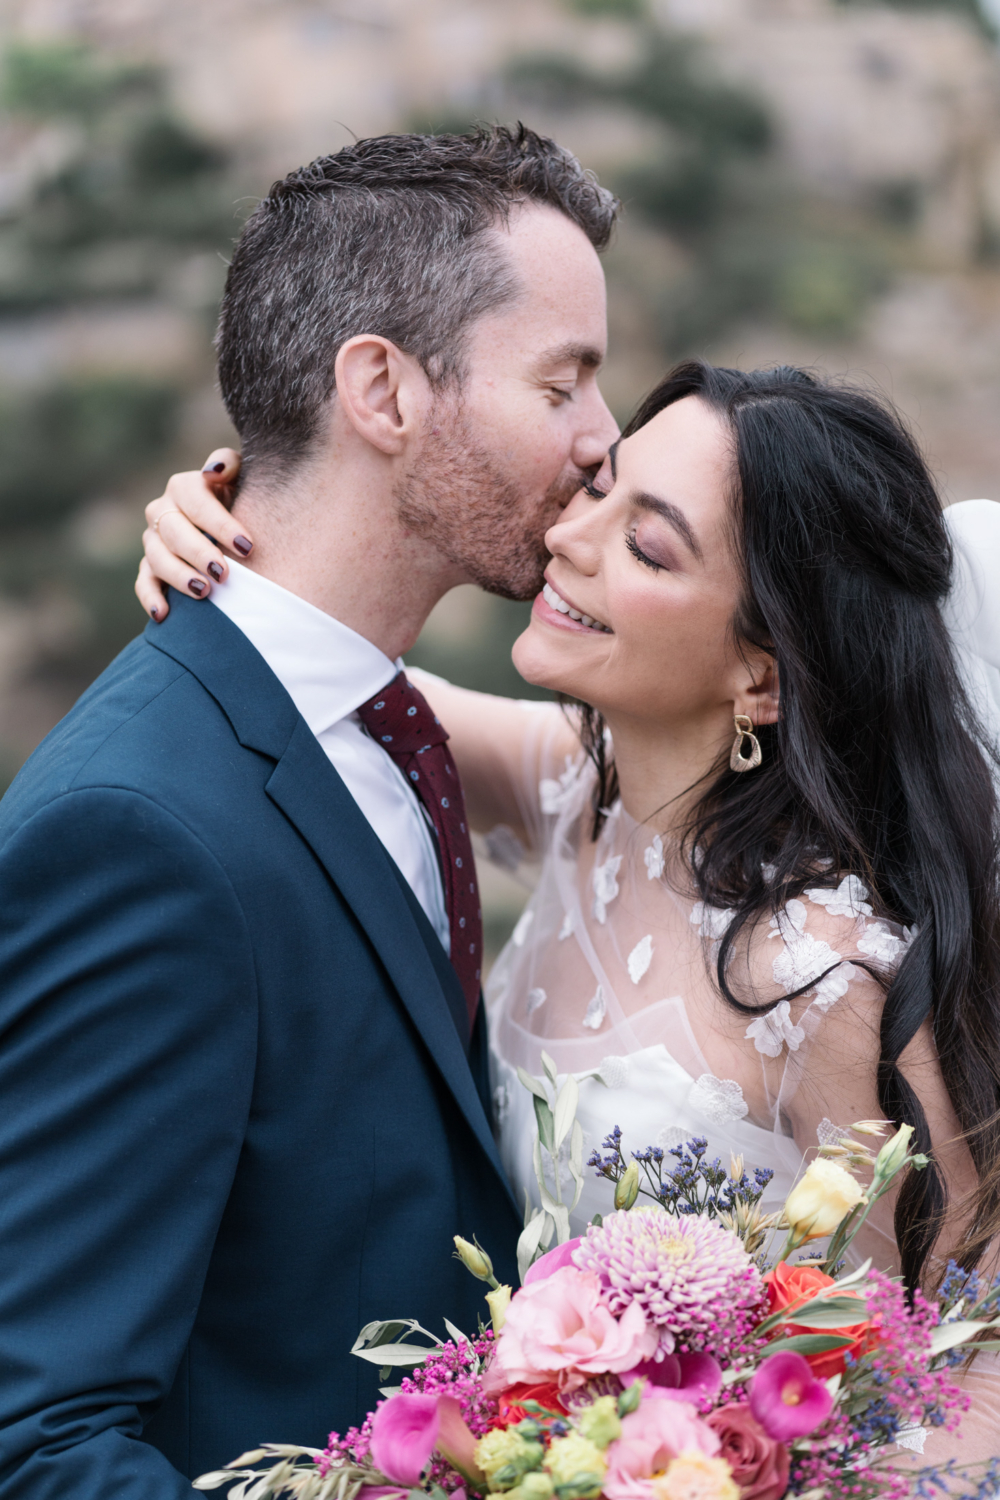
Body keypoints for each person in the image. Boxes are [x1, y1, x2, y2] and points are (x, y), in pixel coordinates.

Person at [140, 360, 1000, 1464]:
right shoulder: (576, 793)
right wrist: (219, 520)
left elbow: (965, 1379)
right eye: (599, 490)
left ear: (763, 678)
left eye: (648, 546)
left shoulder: (829, 981)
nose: (570, 540)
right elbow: (314, 666)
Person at [0, 127, 621, 1496]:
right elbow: (40, 1447)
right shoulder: (139, 835)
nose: (601, 440)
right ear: (383, 390)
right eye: (563, 381)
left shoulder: (396, 728)